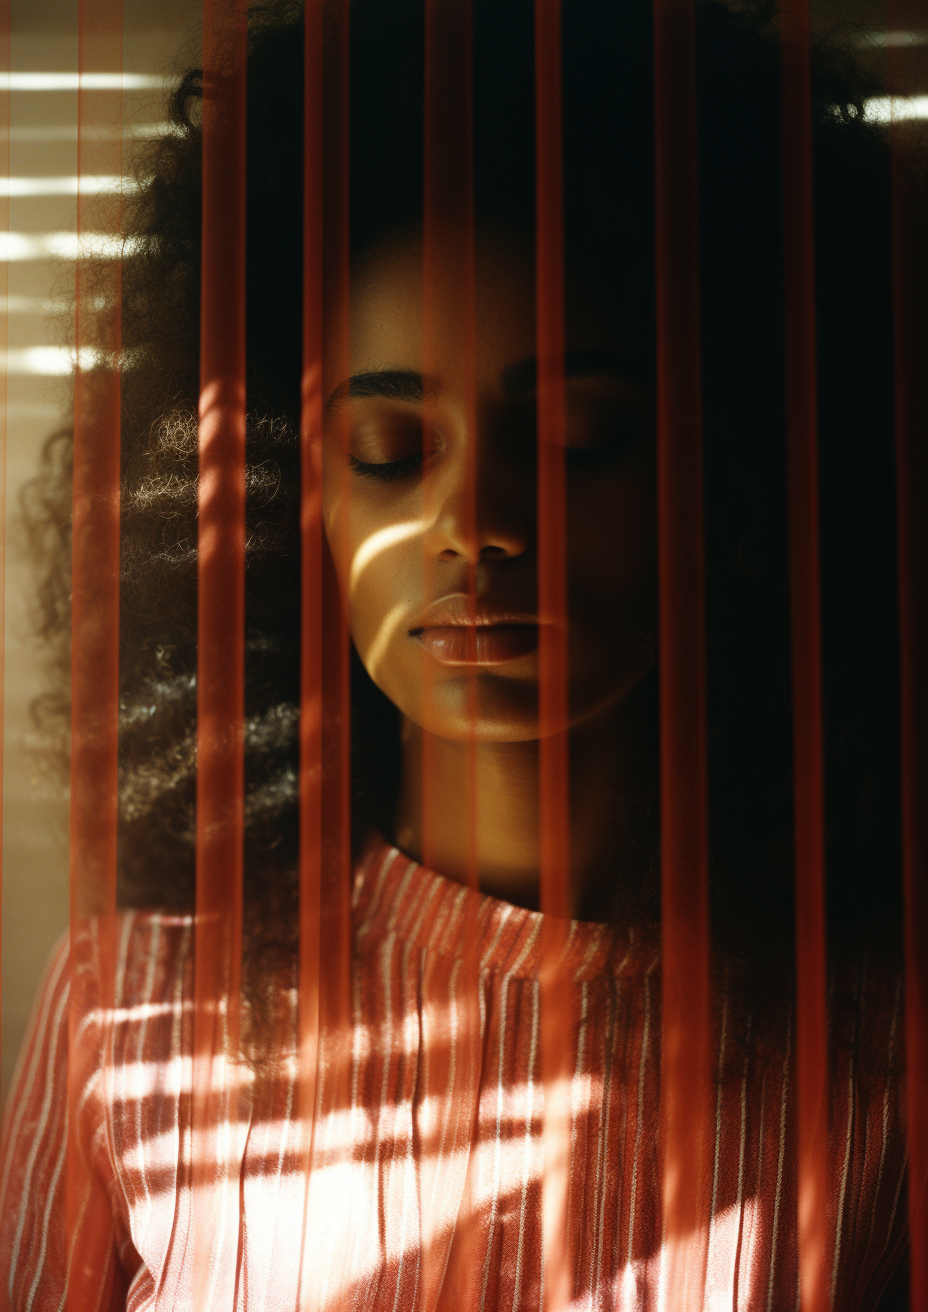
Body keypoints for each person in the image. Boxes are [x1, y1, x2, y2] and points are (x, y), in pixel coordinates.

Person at [0, 0, 911, 1307]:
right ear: (286, 509)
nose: (475, 527)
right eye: (387, 454)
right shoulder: (127, 1003)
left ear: (739, 482)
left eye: (582, 434)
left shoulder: (878, 1053)